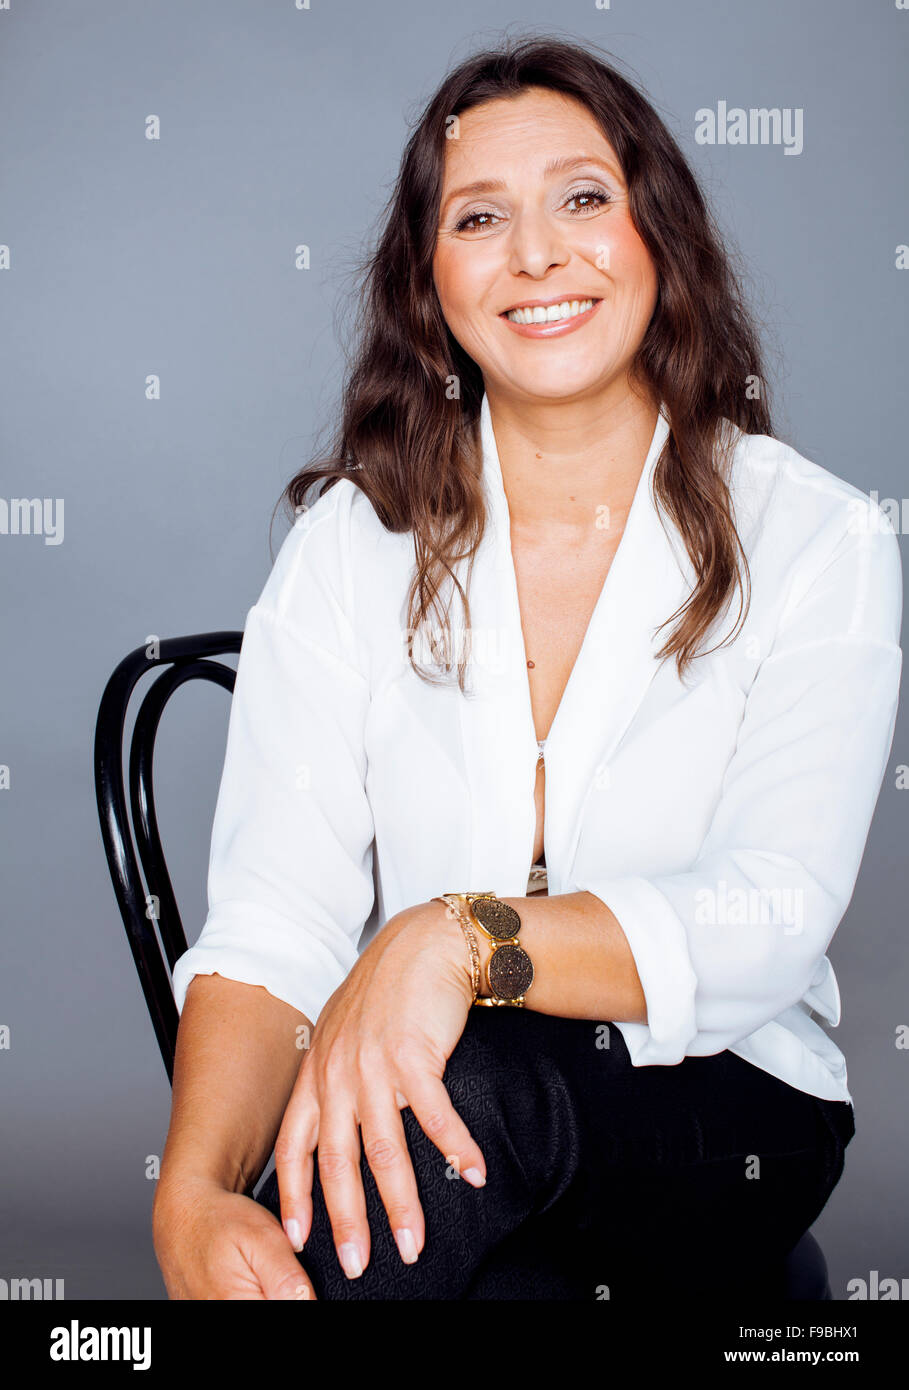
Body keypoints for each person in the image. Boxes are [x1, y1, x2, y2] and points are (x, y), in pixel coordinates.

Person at [152, 36, 901, 1300]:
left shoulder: (817, 536)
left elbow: (768, 913)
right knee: (454, 1205)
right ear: (428, 279)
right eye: (480, 216)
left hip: (725, 1111)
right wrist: (190, 1196)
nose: (538, 254)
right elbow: (275, 923)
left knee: (469, 1088)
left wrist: (454, 937)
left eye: (583, 199)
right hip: (444, 1130)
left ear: (658, 232)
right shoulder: (354, 542)